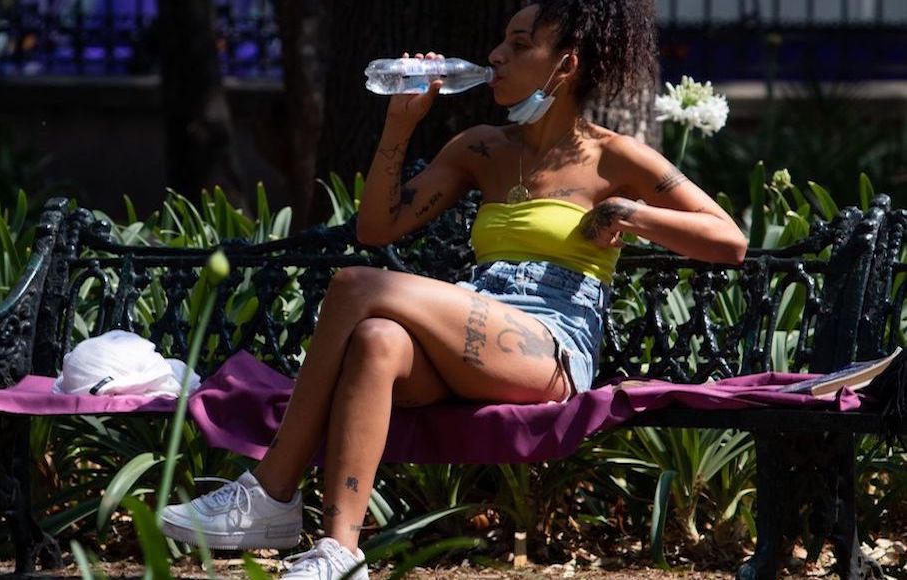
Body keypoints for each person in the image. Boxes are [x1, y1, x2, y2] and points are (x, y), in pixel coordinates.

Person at [160, 1, 748, 578]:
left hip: (550, 345)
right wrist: (399, 124)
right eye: (502, 40)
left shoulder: (614, 156)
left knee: (355, 286)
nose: (496, 55)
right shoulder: (480, 148)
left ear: (564, 66)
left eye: (520, 46)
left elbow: (729, 240)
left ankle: (271, 488)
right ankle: (340, 553)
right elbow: (377, 227)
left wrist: (629, 212)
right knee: (377, 339)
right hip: (479, 324)